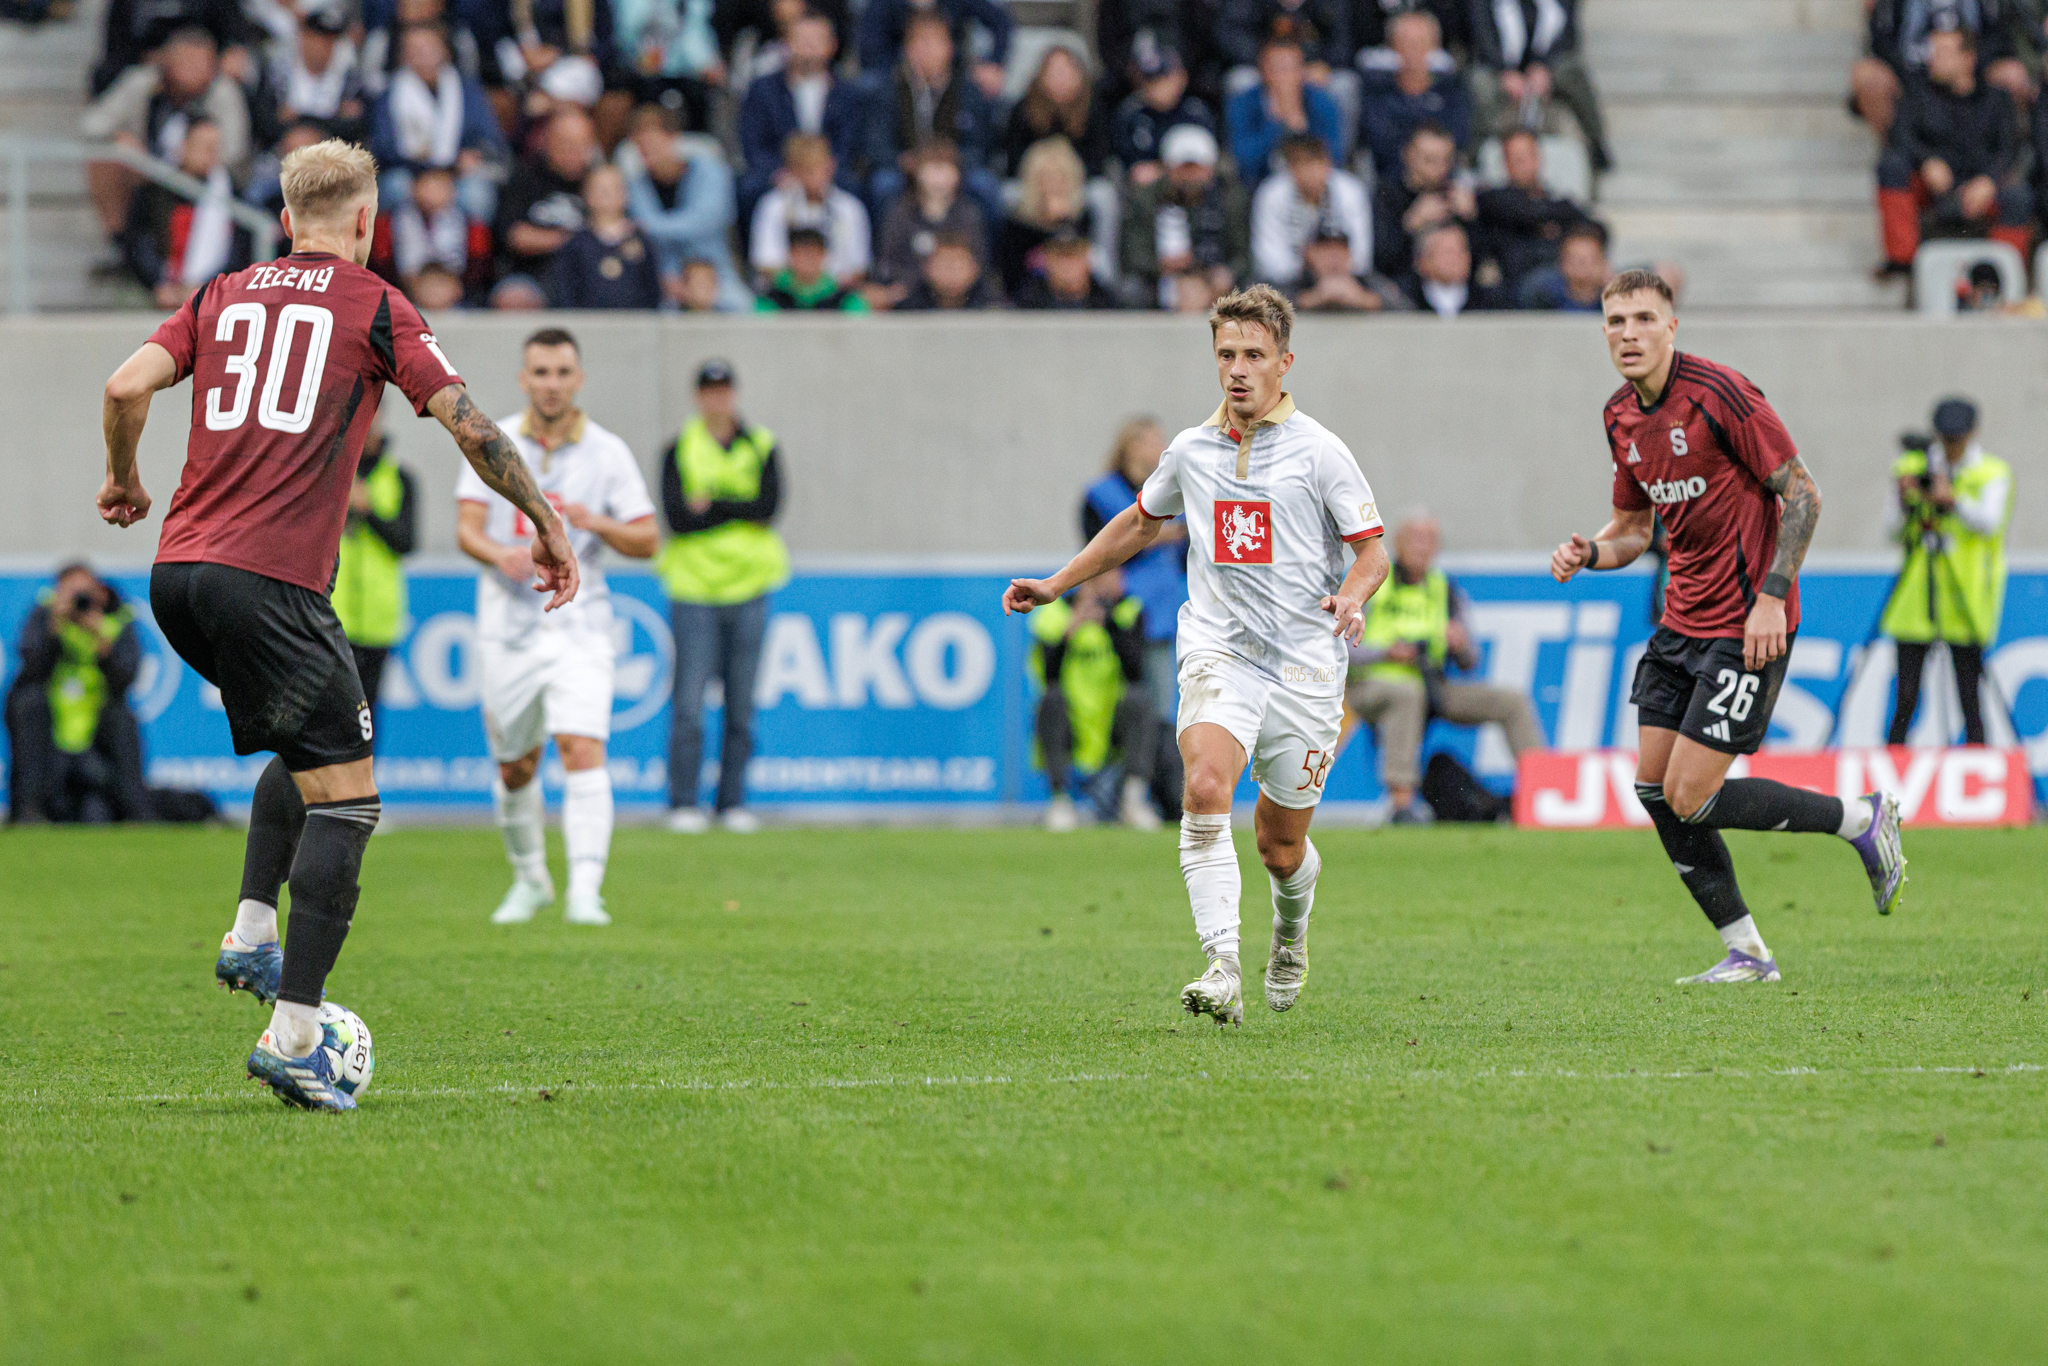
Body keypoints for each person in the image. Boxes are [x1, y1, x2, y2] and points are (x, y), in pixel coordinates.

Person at [96, 138, 577, 1109]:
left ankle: (251, 933)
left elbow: (124, 386)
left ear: (284, 220)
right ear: (366, 221)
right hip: (271, 582)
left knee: (310, 750)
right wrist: (546, 522)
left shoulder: (220, 294)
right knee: (350, 801)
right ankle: (297, 1037)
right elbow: (472, 426)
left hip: (177, 576)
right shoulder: (375, 305)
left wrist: (123, 478)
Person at [1004, 284, 1391, 1025]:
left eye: (1254, 355)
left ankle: (1290, 930)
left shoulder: (1321, 451)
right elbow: (1139, 523)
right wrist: (1057, 583)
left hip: (1307, 668)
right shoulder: (1191, 449)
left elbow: (1372, 551)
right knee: (1207, 785)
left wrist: (1351, 596)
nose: (1238, 369)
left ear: (1284, 362)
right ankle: (1222, 965)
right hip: (1222, 652)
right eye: (1226, 354)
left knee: (1280, 849)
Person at [1548, 269, 1906, 988]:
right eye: (1615, 321)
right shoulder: (1620, 416)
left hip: (1747, 625)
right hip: (1679, 622)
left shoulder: (1721, 394)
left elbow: (1803, 494)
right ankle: (1748, 952)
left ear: (1671, 327)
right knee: (1655, 790)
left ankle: (1859, 819)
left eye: (1643, 319)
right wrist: (1591, 553)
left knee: (1691, 795)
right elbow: (1633, 529)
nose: (1628, 334)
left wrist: (1772, 598)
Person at [456, 329, 656, 929]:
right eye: (541, 372)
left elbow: (647, 538)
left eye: (562, 372)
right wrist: (500, 554)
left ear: (579, 379)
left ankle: (586, 892)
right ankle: (530, 878)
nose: (552, 384)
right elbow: (467, 528)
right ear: (524, 380)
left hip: (580, 623)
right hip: (508, 626)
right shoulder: (494, 441)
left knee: (581, 746)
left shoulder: (607, 452)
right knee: (515, 765)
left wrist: (598, 523)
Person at [659, 360, 789, 834]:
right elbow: (678, 517)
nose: (717, 399)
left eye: (724, 390)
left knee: (741, 705)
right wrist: (738, 509)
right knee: (689, 705)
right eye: (709, 391)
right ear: (698, 396)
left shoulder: (761, 444)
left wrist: (712, 505)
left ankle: (731, 802)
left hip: (750, 586)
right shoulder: (679, 447)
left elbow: (768, 507)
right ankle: (683, 802)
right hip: (694, 588)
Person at [1346, 512, 1541, 822]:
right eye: (1416, 539)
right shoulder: (1372, 583)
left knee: (1512, 702)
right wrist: (1386, 653)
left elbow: (1471, 662)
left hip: (1432, 684)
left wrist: (1460, 645)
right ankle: (1402, 805)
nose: (1423, 547)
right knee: (1407, 693)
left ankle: (1541, 793)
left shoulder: (1444, 588)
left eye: (1430, 540)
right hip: (1372, 685)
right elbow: (1339, 647)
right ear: (1397, 543)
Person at [1882, 397, 2012, 747]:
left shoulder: (1992, 472)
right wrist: (1904, 500)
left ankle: (1978, 765)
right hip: (1915, 597)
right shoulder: (1912, 468)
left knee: (1970, 697)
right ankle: (1891, 766)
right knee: (1905, 697)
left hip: (1965, 598)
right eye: (1945, 437)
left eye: (1957, 438)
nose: (1951, 445)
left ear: (1971, 434)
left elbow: (1990, 522)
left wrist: (1952, 500)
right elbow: (1891, 531)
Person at [1875, 25, 2032, 277]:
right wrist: (1926, 161)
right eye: (1933, 51)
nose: (1934, 58)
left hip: (1982, 187)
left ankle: (2001, 277)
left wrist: (1989, 181)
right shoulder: (1917, 93)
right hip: (1933, 185)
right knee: (1891, 166)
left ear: (1968, 58)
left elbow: (2010, 148)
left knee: (2017, 196)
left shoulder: (1997, 98)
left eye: (1944, 52)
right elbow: (1900, 136)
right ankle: (1902, 262)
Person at [4, 564, 150, 824]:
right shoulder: (44, 615)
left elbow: (125, 679)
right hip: (51, 730)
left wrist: (101, 641)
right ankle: (28, 810)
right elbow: (30, 667)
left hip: (96, 732)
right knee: (28, 703)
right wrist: (53, 627)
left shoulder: (115, 620)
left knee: (121, 718)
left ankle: (136, 812)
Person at [1032, 571, 1161, 832]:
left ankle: (1133, 800)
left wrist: (1109, 624)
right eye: (1111, 573)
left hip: (1110, 717)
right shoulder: (1054, 612)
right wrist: (1071, 628)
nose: (1119, 581)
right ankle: (1060, 802)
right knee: (1050, 701)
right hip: (1073, 717)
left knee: (1140, 702)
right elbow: (1048, 675)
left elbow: (1136, 672)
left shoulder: (1129, 610)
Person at [1081, 417, 1188, 719]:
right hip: (1121, 615)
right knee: (1121, 701)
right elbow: (1096, 552)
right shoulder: (1101, 495)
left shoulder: (1171, 493)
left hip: (1164, 614)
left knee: (1161, 705)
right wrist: (1154, 537)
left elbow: (1185, 554)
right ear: (1132, 447)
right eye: (1155, 441)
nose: (1164, 448)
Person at [332, 424, 418, 736]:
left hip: (377, 619)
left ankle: (364, 769)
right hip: (329, 616)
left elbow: (406, 542)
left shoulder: (399, 477)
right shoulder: (327, 476)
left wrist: (368, 510)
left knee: (367, 712)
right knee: (327, 714)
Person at [621, 105, 746, 311]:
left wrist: (650, 227)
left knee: (742, 308)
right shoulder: (636, 185)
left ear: (673, 138)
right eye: (640, 146)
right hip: (664, 277)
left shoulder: (711, 171)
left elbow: (705, 222)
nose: (647, 151)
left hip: (715, 272)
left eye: (652, 143)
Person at [1119, 124, 1249, 309]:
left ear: (1210, 169)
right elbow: (1132, 253)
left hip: (1212, 277)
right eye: (1183, 168)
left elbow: (1243, 254)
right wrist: (1162, 265)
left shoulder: (1229, 199)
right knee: (1133, 290)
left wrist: (1226, 272)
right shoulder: (1147, 199)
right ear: (1168, 169)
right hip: (1159, 279)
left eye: (1196, 168)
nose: (1190, 176)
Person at [1357, 9, 1469, 182]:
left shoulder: (1451, 90)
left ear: (1434, 46)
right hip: (1393, 181)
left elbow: (1458, 138)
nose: (1413, 51)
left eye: (1420, 42)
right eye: (1405, 43)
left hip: (1443, 178)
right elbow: (1380, 142)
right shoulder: (1377, 92)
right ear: (1392, 46)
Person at [1474, 127, 1591, 292]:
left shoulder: (1555, 200)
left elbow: (1593, 228)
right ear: (1505, 163)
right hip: (1519, 285)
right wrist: (1549, 221)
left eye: (1527, 156)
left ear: (1538, 158)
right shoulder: (1492, 200)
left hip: (1564, 283)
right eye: (1516, 158)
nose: (1523, 163)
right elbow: (1524, 213)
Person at [871, 139, 987, 303]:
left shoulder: (970, 214)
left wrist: (952, 277)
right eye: (932, 168)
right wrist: (923, 279)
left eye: (946, 168)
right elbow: (887, 262)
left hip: (964, 297)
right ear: (917, 172)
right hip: (909, 296)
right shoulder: (900, 213)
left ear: (958, 174)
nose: (939, 178)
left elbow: (979, 260)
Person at [749, 132, 872, 285]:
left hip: (836, 291)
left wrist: (824, 286)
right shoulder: (773, 205)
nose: (815, 175)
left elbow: (858, 268)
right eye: (808, 169)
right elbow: (766, 264)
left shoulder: (851, 208)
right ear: (792, 170)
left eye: (820, 167)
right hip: (786, 291)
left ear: (831, 165)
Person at [1249, 132, 1370, 288]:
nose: (1312, 172)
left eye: (1317, 162)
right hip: (1289, 283)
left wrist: (1331, 267)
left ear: (1328, 162)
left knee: (1381, 293)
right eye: (1304, 163)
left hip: (1345, 278)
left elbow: (1361, 256)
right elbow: (1267, 258)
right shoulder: (1271, 194)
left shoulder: (1351, 191)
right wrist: (1307, 265)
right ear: (1291, 167)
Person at [1226, 36, 1344, 183]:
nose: (1283, 76)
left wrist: (1303, 130)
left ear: (1302, 70)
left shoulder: (1321, 101)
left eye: (1289, 68)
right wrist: (1275, 125)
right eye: (1276, 68)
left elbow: (1335, 155)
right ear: (1263, 70)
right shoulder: (1244, 102)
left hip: (1314, 181)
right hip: (1262, 182)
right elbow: (1244, 160)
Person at [548, 163, 664, 308]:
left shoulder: (641, 240)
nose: (607, 195)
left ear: (625, 194)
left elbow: (652, 288)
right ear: (586, 194)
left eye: (613, 188)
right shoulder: (576, 243)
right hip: (587, 319)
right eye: (600, 189)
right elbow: (565, 290)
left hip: (633, 319)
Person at [1372, 121, 1474, 282]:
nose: (1440, 169)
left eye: (1446, 160)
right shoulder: (1387, 196)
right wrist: (1410, 224)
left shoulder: (1455, 196)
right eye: (1429, 160)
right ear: (1407, 155)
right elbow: (1380, 260)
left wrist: (1472, 219)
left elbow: (1480, 261)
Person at [1111, 44, 1216, 189]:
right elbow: (1130, 167)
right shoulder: (1131, 115)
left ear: (1181, 77)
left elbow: (1209, 163)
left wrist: (1165, 171)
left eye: (1163, 78)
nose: (1157, 86)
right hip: (1150, 193)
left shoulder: (1196, 112)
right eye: (1150, 80)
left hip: (1196, 188)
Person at [1003, 45, 1113, 177]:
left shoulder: (1093, 108)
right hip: (1033, 180)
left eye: (1066, 72)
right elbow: (1015, 159)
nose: (1060, 78)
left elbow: (1099, 158)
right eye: (1054, 72)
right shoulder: (1024, 110)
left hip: (1081, 180)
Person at [753, 225, 870, 310]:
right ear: (790, 255)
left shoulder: (844, 299)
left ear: (823, 255)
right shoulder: (771, 299)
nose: (808, 259)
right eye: (801, 253)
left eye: (813, 253)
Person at [1405, 222, 1507, 315]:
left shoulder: (1489, 302)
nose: (1456, 258)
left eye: (1461, 250)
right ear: (1424, 260)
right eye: (1447, 252)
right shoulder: (1406, 302)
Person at [1515, 219, 1608, 311]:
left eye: (1589, 260)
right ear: (1562, 261)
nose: (1581, 267)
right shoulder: (1541, 293)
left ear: (1602, 262)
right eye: (1574, 259)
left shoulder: (1612, 296)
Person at [1015, 228, 1119, 308]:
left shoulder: (1108, 304)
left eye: (1073, 255)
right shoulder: (1027, 302)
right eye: (1059, 256)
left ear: (1087, 259)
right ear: (1047, 260)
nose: (1066, 264)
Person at [895, 232, 1000, 308]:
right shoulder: (908, 310)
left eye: (959, 267)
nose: (952, 274)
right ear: (927, 268)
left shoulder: (993, 307)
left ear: (974, 268)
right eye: (944, 266)